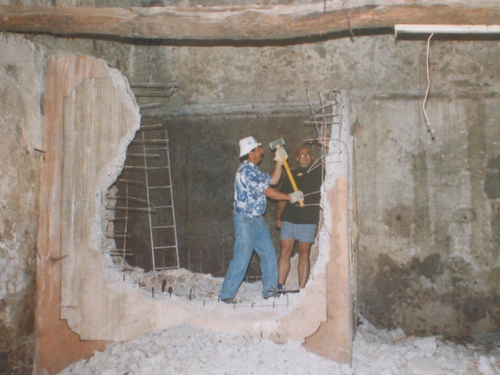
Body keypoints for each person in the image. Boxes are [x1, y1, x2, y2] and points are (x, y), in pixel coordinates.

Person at [219, 136, 304, 303]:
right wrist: (290, 197)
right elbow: (268, 191)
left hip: (257, 220)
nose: (262, 151)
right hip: (246, 221)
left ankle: (270, 291)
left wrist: (279, 162)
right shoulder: (246, 171)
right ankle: (226, 295)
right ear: (251, 153)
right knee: (242, 258)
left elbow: (273, 180)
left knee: (269, 255)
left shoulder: (254, 171)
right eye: (258, 149)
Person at [275, 147, 323, 290]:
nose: (304, 156)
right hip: (289, 218)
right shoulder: (290, 174)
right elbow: (282, 198)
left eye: (307, 154)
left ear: (311, 157)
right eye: (301, 154)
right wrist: (278, 217)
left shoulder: (319, 173)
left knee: (304, 253)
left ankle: (302, 289)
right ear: (297, 158)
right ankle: (280, 286)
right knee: (285, 252)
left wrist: (327, 145)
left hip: (308, 220)